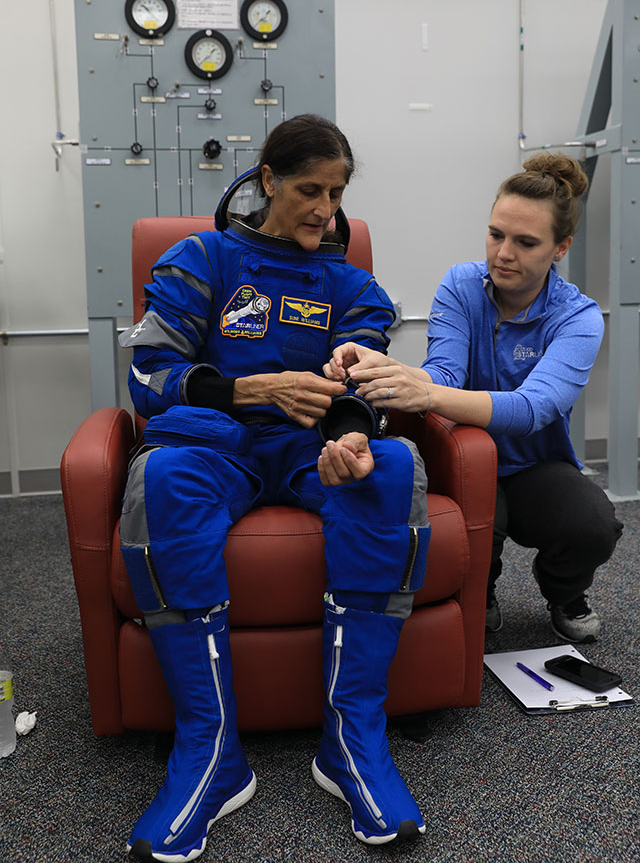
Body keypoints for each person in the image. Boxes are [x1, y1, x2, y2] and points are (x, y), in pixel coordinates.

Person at [118, 114, 430, 861]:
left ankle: (351, 741)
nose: (326, 210)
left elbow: (366, 383)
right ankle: (212, 755)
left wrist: (352, 435)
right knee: (161, 476)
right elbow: (148, 378)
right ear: (267, 182)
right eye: (309, 190)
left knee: (391, 469)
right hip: (213, 445)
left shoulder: (353, 285)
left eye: (337, 192)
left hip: (310, 450)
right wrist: (256, 389)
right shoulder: (202, 259)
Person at [325, 153, 623, 644]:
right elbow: (443, 373)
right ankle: (481, 590)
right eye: (496, 234)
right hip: (465, 452)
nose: (503, 253)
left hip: (534, 466)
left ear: (561, 247)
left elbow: (531, 409)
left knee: (592, 524)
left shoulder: (579, 318)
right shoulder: (462, 286)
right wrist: (381, 365)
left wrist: (422, 391)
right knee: (482, 523)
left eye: (526, 242)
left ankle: (563, 591)